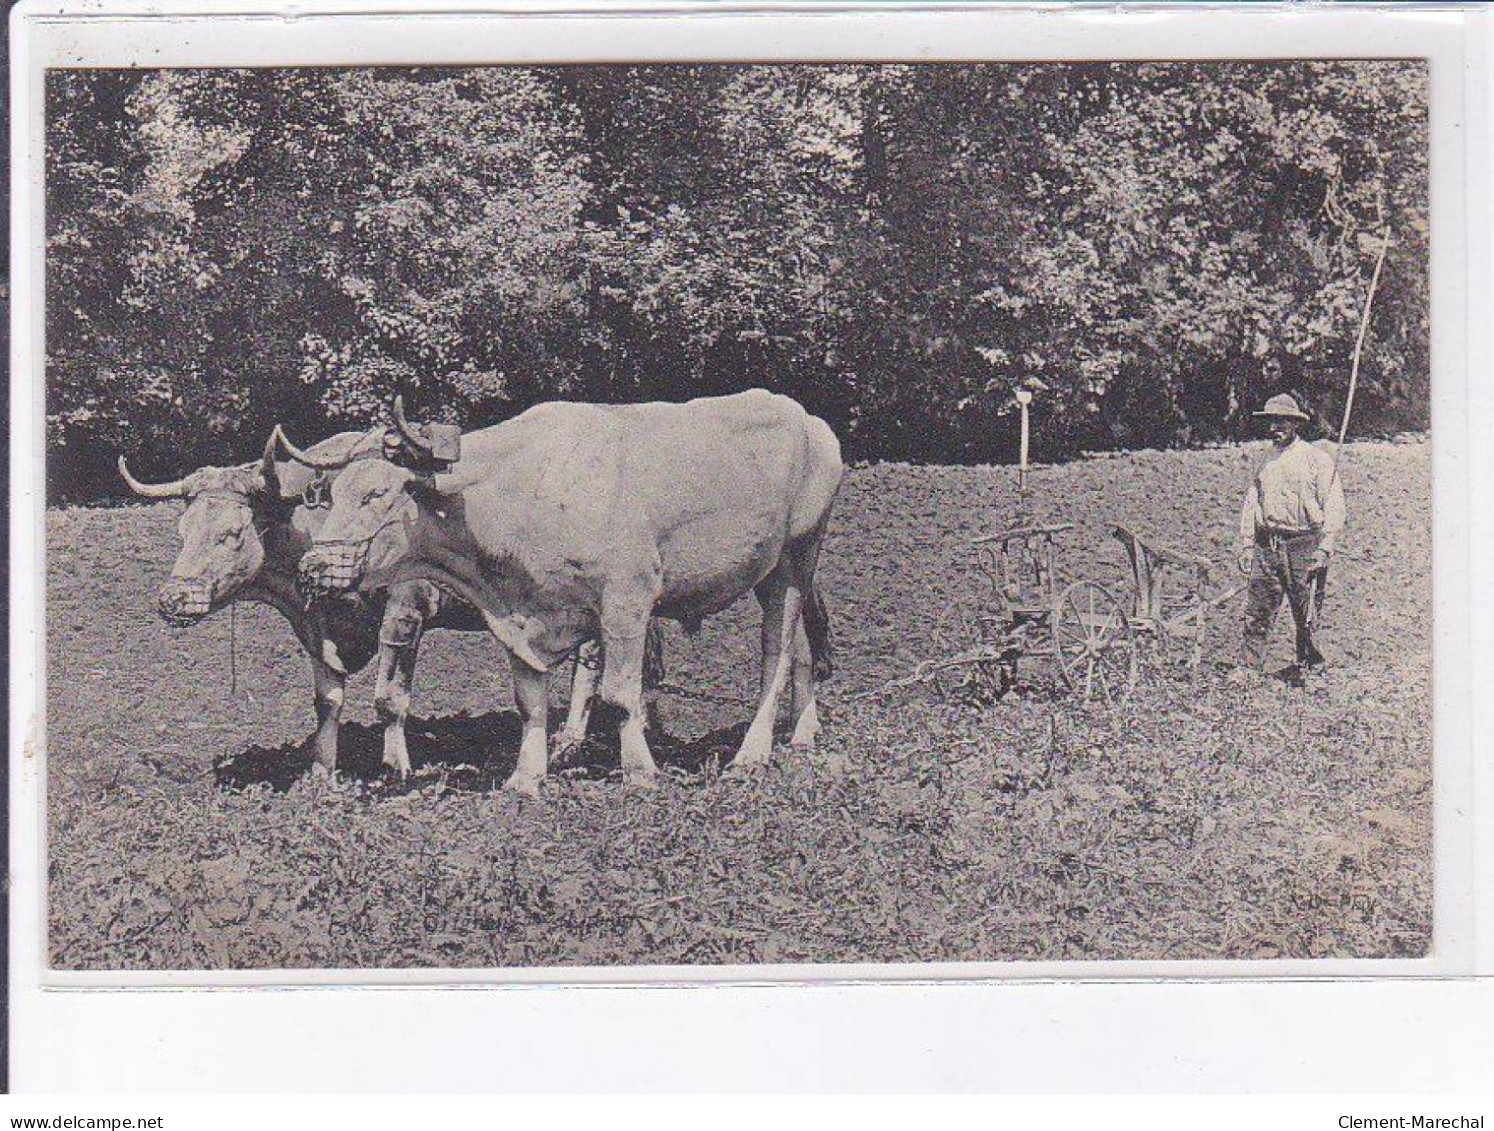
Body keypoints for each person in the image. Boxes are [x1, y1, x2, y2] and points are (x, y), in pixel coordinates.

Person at [1236, 393, 1346, 673]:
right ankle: (1250, 667)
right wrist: (1247, 545)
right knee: (1258, 608)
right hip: (1267, 544)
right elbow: (1252, 502)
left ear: (1295, 424)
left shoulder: (1316, 460)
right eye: (1272, 421)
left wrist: (1325, 547)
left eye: (1283, 421)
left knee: (1305, 609)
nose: (1277, 427)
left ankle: (1309, 664)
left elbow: (1334, 504)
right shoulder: (1264, 461)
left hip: (1303, 543)